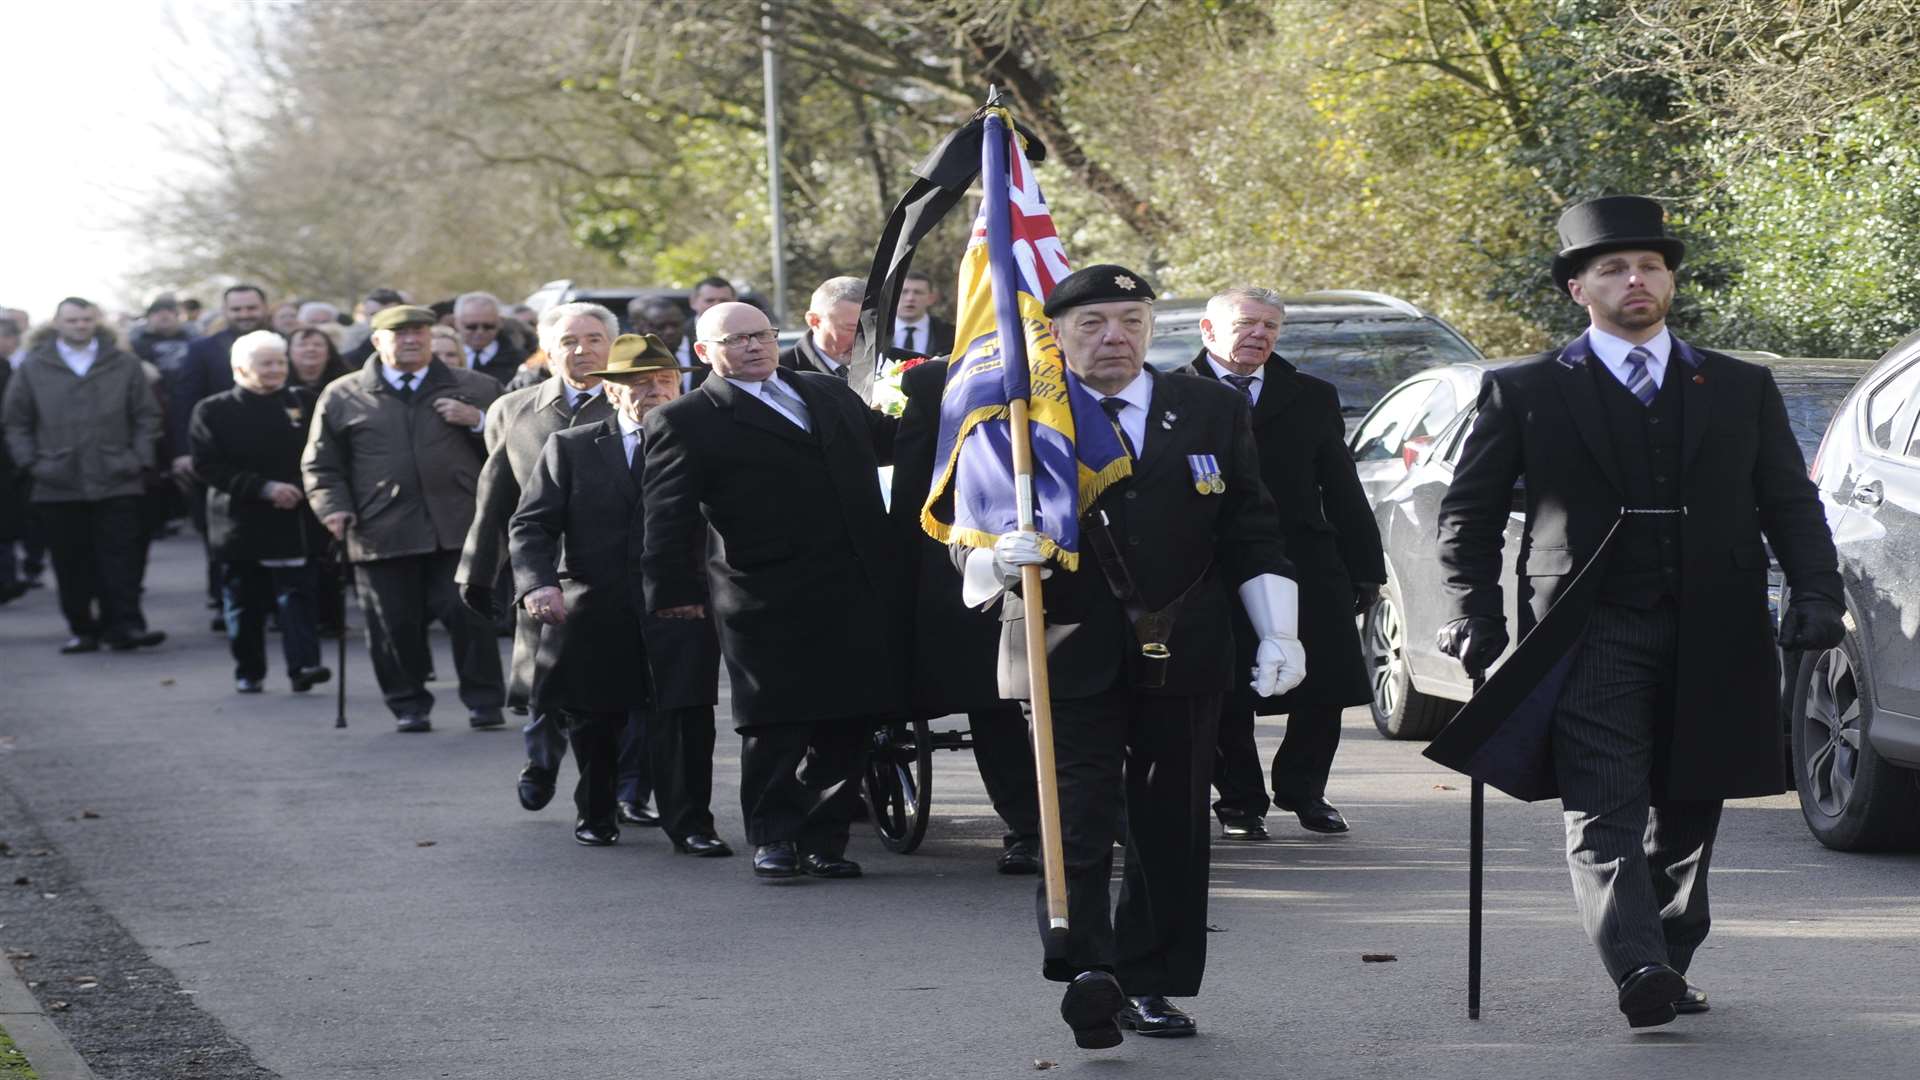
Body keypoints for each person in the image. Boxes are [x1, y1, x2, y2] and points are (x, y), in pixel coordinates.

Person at [1432, 195, 1845, 1029]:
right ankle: (1639, 969)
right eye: (1615, 269)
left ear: (1670, 283)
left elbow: (1788, 503)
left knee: (1692, 804)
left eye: (1651, 267)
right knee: (1604, 803)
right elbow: (1466, 517)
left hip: (1715, 622)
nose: (1636, 281)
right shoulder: (1524, 390)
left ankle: (1666, 955)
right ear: (1578, 289)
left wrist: (1816, 591)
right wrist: (1474, 612)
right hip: (1591, 627)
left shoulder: (1738, 386)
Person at [960, 265, 1303, 1049]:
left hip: (1183, 644)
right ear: (1057, 333)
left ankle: (1151, 981)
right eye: (1092, 323)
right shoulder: (1021, 413)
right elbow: (968, 527)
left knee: (1171, 821)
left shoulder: (1209, 407)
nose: (1114, 336)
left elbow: (1250, 525)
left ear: (1153, 328)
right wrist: (995, 564)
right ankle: (1088, 971)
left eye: (1131, 320)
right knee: (1074, 817)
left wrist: (1281, 630)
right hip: (1061, 649)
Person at [642, 300, 900, 882]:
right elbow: (667, 517)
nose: (754, 347)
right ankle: (775, 837)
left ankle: (825, 839)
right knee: (776, 723)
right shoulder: (686, 419)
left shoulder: (826, 392)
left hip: (854, 583)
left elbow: (891, 442)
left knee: (850, 714)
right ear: (704, 353)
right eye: (736, 340)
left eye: (761, 334)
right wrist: (671, 592)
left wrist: (961, 405)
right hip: (762, 593)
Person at [511, 334, 732, 856]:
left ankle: (692, 824)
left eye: (664, 380)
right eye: (639, 382)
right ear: (611, 392)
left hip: (683, 605)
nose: (654, 391)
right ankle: (597, 810)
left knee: (686, 717)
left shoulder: (707, 443)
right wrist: (538, 583)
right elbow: (531, 525)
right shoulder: (571, 446)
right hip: (597, 607)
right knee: (596, 719)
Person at [1183, 286, 1384, 839]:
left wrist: (1366, 567)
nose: (1259, 336)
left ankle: (1304, 790)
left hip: (1305, 559)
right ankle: (1240, 802)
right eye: (1247, 324)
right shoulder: (1177, 393)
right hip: (1212, 563)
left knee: (1325, 683)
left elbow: (1341, 485)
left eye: (1271, 327)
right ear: (1209, 330)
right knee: (1223, 685)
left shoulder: (1310, 395)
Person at [302, 304, 506, 732]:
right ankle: (409, 703)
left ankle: (484, 701)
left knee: (468, 613)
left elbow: (511, 449)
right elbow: (321, 465)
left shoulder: (477, 387)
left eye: (419, 332)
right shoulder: (343, 395)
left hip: (459, 525)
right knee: (393, 623)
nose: (411, 339)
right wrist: (333, 508)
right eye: (399, 333)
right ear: (377, 341)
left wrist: (478, 421)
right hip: (381, 529)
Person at [454, 302, 621, 815]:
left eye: (594, 339)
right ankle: (541, 761)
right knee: (542, 678)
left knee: (610, 685)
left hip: (609, 566)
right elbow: (496, 496)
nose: (583, 350)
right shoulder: (513, 409)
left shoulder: (629, 404)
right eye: (569, 341)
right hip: (541, 567)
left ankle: (615, 790)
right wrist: (478, 572)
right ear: (547, 350)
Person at [891, 356, 1042, 873]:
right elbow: (917, 493)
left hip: (1080, 564)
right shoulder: (940, 383)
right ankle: (1029, 825)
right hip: (974, 565)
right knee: (997, 705)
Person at [2, 298, 166, 652]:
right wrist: (33, 463)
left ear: (97, 322)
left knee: (121, 557)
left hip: (117, 476)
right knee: (70, 560)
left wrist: (137, 458)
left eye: (86, 319)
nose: (80, 326)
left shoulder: (122, 363)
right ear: (58, 323)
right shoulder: (34, 367)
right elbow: (16, 421)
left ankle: (125, 626)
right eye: (72, 320)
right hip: (58, 481)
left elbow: (146, 416)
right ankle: (83, 628)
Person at [189, 331, 329, 694]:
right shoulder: (213, 410)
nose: (275, 370)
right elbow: (207, 465)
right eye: (265, 363)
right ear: (240, 368)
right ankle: (249, 670)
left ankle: (304, 666)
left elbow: (324, 452)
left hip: (295, 517)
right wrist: (262, 488)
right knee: (245, 603)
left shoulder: (304, 401)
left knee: (298, 596)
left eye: (280, 362)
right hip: (242, 520)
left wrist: (302, 487)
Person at [171, 284, 272, 617]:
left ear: (264, 308)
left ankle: (275, 603)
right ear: (226, 311)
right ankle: (226, 601)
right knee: (224, 531)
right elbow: (185, 401)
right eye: (237, 309)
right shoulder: (203, 350)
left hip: (276, 453)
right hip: (221, 457)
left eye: (251, 308)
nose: (245, 315)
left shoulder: (281, 343)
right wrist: (183, 451)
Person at [286, 327, 351, 636]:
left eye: (317, 345)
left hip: (335, 476)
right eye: (303, 345)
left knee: (330, 553)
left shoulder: (345, 386)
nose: (310, 351)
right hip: (293, 479)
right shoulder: (280, 387)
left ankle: (331, 616)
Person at [777, 275, 863, 379]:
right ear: (814, 321)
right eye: (852, 329)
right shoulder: (780, 372)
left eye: (871, 328)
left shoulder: (885, 364)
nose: (864, 338)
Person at [453, 292, 526, 385]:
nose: (480, 332)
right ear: (456, 322)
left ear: (500, 322)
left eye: (488, 326)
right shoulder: (440, 357)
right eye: (471, 326)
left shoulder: (520, 361)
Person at [628, 297, 700, 387]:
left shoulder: (703, 352)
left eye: (675, 325)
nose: (670, 331)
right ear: (642, 327)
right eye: (660, 326)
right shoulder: (629, 356)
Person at [891, 269, 955, 357]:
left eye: (918, 292)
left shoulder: (949, 334)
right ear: (892, 297)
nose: (910, 298)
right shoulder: (874, 333)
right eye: (904, 292)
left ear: (931, 298)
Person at [129, 296, 195, 379]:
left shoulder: (193, 340)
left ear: (177, 316)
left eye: (169, 310)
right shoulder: (137, 346)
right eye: (156, 311)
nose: (163, 314)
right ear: (148, 318)